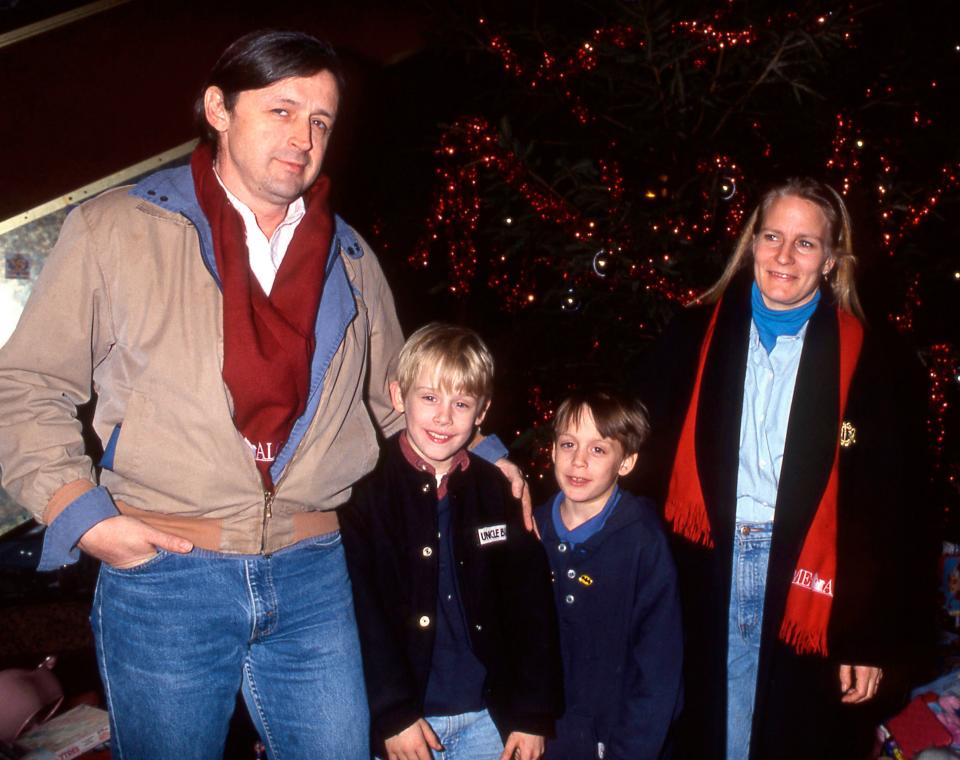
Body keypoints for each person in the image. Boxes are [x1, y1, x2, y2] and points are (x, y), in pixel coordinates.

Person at [0, 30, 518, 760]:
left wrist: (485, 448)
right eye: (281, 110)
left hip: (314, 573)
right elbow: (26, 383)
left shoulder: (351, 256)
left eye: (321, 121)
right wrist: (79, 515)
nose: (303, 137)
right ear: (218, 107)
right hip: (164, 571)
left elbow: (401, 396)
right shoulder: (117, 229)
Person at [637, 177, 934, 758]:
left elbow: (890, 512)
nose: (783, 256)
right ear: (751, 242)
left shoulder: (873, 361)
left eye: (805, 243)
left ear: (831, 259)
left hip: (807, 583)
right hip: (698, 572)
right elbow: (628, 446)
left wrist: (869, 638)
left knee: (788, 739)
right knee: (698, 733)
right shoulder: (689, 335)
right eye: (773, 236)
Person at [340, 323, 563, 760]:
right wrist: (393, 712)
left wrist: (532, 713)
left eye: (461, 403)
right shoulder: (361, 491)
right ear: (397, 394)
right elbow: (359, 612)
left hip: (488, 722)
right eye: (429, 398)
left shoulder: (497, 491)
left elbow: (531, 606)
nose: (444, 417)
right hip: (407, 726)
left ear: (482, 412)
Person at [534, 388, 682, 760]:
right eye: (568, 444)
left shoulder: (643, 543)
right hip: (537, 739)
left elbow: (659, 670)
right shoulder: (530, 530)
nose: (578, 461)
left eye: (598, 449)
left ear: (627, 462)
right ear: (552, 449)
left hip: (612, 742)